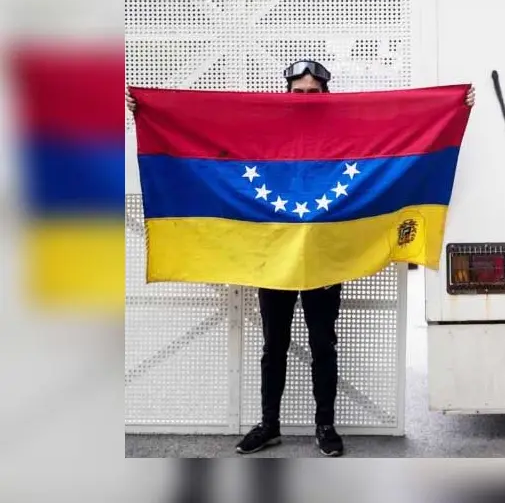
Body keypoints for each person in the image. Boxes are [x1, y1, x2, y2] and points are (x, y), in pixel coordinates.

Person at [127, 60, 475, 456]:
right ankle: (269, 425)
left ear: (325, 95)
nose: (306, 100)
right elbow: (208, 128)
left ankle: (325, 427)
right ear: (287, 93)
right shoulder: (266, 129)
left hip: (325, 256)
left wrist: (454, 106)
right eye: (299, 93)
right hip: (273, 256)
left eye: (313, 93)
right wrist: (148, 110)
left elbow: (399, 126)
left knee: (323, 344)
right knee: (274, 345)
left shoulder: (345, 129)